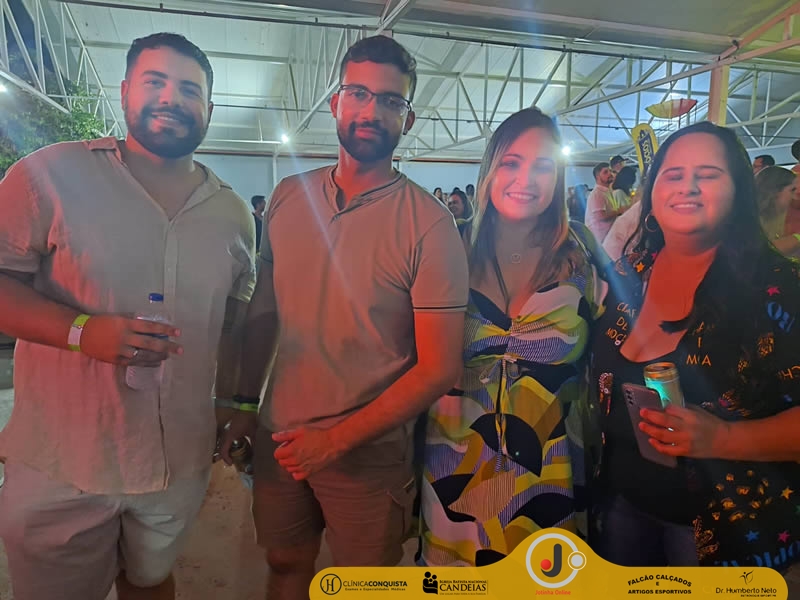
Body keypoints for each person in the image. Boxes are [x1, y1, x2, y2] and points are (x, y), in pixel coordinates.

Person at [0, 33, 256, 600]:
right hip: (65, 461)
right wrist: (82, 332)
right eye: (155, 82)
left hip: (177, 459)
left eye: (189, 89)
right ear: (124, 92)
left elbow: (233, 324)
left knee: (151, 580)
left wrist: (236, 402)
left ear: (209, 109)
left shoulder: (232, 213)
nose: (172, 98)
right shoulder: (51, 175)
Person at [219, 34, 469, 598]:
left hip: (369, 452)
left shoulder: (430, 225)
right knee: (285, 562)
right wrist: (242, 404)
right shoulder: (288, 198)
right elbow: (264, 310)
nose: (372, 111)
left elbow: (439, 367)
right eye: (358, 93)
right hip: (281, 434)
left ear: (408, 118)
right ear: (335, 102)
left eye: (391, 100)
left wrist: (334, 441)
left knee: (364, 584)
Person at [589, 123, 800, 584]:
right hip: (623, 512)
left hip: (730, 535)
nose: (687, 186)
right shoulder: (630, 271)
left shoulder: (780, 289)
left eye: (707, 174)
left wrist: (724, 439)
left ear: (739, 191)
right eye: (673, 174)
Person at [419, 108, 608, 567]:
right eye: (511, 163)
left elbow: (619, 342)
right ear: (490, 169)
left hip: (553, 472)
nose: (526, 179)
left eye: (543, 166)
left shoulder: (582, 252)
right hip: (455, 473)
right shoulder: (445, 247)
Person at [756, 166, 800, 257]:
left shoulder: (776, 215)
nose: (795, 197)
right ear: (775, 192)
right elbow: (761, 252)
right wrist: (797, 238)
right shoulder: (749, 218)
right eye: (792, 190)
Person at [585, 161, 624, 243]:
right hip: (600, 239)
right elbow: (600, 216)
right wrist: (619, 211)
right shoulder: (597, 193)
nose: (610, 174)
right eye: (605, 172)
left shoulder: (606, 192)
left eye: (610, 171)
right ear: (597, 177)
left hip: (607, 237)